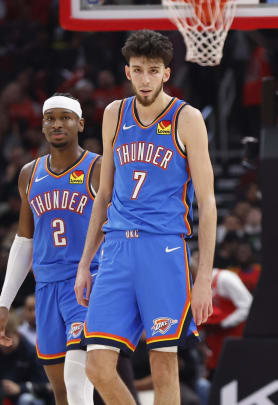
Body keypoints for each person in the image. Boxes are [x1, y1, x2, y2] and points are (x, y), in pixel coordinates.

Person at [75, 30, 216, 405]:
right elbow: (103, 194)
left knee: (164, 365)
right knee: (98, 366)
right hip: (117, 250)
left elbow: (208, 200)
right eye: (138, 70)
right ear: (128, 72)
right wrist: (85, 263)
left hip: (163, 250)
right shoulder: (113, 114)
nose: (146, 79)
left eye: (153, 71)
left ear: (167, 73)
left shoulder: (187, 119)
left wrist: (203, 278)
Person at [0, 93, 99, 405]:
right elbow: (24, 241)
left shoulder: (98, 167)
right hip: (46, 288)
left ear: (80, 123)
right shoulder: (29, 173)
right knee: (61, 393)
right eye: (50, 118)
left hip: (86, 284)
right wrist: (3, 304)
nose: (57, 124)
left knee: (78, 383)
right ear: (42, 127)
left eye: (65, 117)